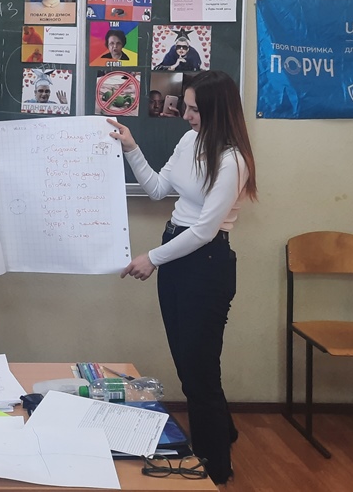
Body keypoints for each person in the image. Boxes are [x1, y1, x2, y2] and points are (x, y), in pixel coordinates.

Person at [108, 70, 256, 486]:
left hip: (205, 263)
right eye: (186, 106)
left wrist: (152, 259)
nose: (185, 115)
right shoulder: (191, 140)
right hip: (176, 252)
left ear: (216, 111)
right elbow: (157, 189)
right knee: (191, 362)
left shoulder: (232, 160)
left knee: (198, 369)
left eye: (193, 109)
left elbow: (205, 230)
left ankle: (216, 466)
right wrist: (132, 147)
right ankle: (223, 431)